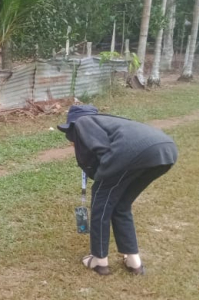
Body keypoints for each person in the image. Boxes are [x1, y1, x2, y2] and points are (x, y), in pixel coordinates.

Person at [58, 104, 178, 275]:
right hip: (166, 151)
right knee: (121, 205)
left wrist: (100, 176)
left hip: (133, 153)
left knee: (101, 202)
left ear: (73, 125)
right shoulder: (109, 122)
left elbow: (102, 151)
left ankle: (99, 261)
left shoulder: (83, 121)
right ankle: (133, 261)